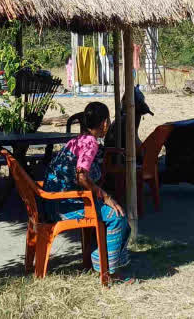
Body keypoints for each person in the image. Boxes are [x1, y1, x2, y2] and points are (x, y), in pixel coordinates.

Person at [42, 101, 130, 275]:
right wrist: (105, 196)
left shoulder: (76, 141)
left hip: (50, 203)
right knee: (117, 216)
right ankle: (108, 270)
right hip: (63, 207)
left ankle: (99, 258)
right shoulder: (90, 143)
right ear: (105, 123)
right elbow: (81, 176)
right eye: (108, 121)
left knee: (108, 211)